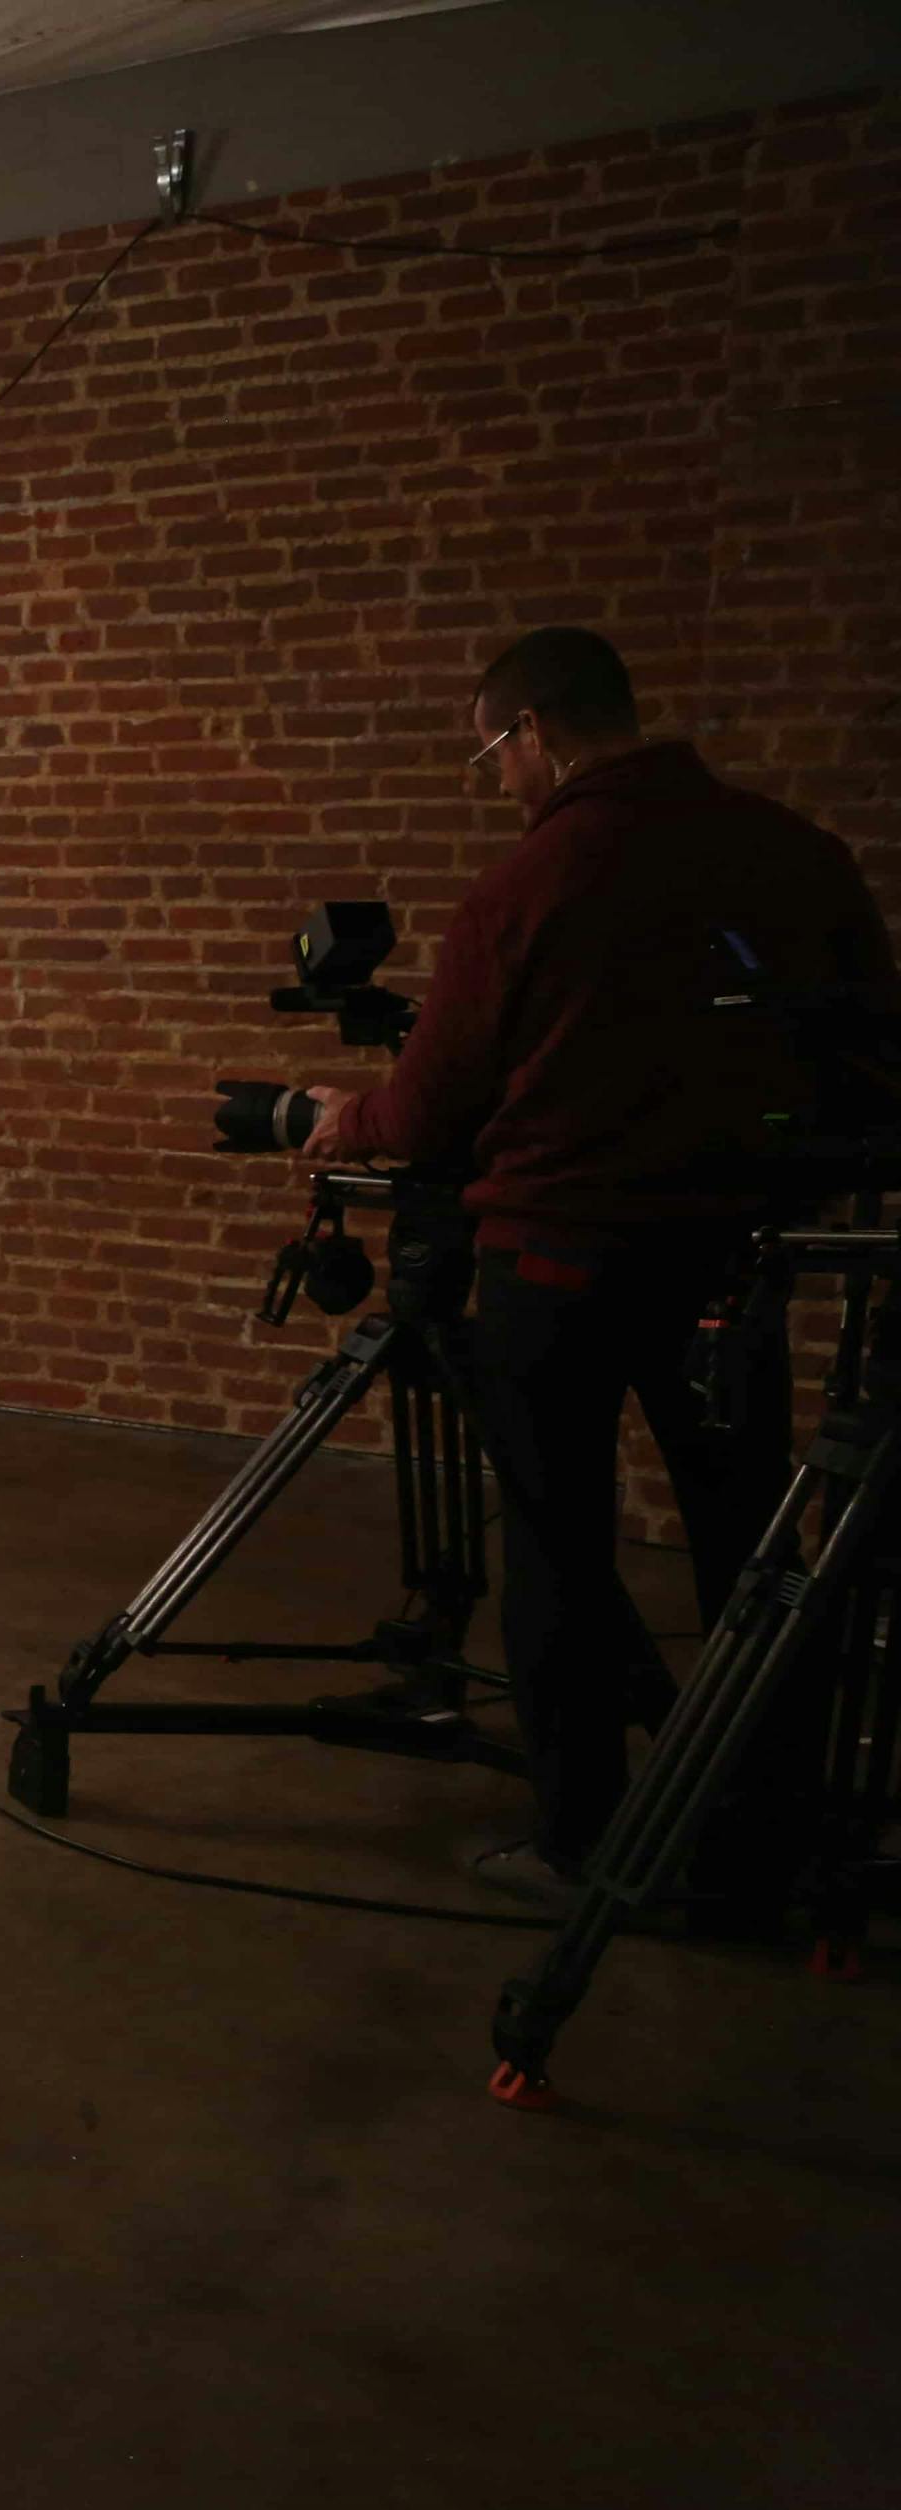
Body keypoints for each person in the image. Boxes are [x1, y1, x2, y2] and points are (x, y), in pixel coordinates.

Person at [305, 626, 894, 1906]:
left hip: (555, 1265)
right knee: (752, 1553)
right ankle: (764, 1818)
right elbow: (868, 1055)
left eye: (491, 754)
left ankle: (579, 1837)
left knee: (558, 1550)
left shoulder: (531, 885)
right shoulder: (798, 855)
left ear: (534, 733)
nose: (500, 780)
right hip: (739, 1265)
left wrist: (336, 1116)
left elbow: (425, 1113)